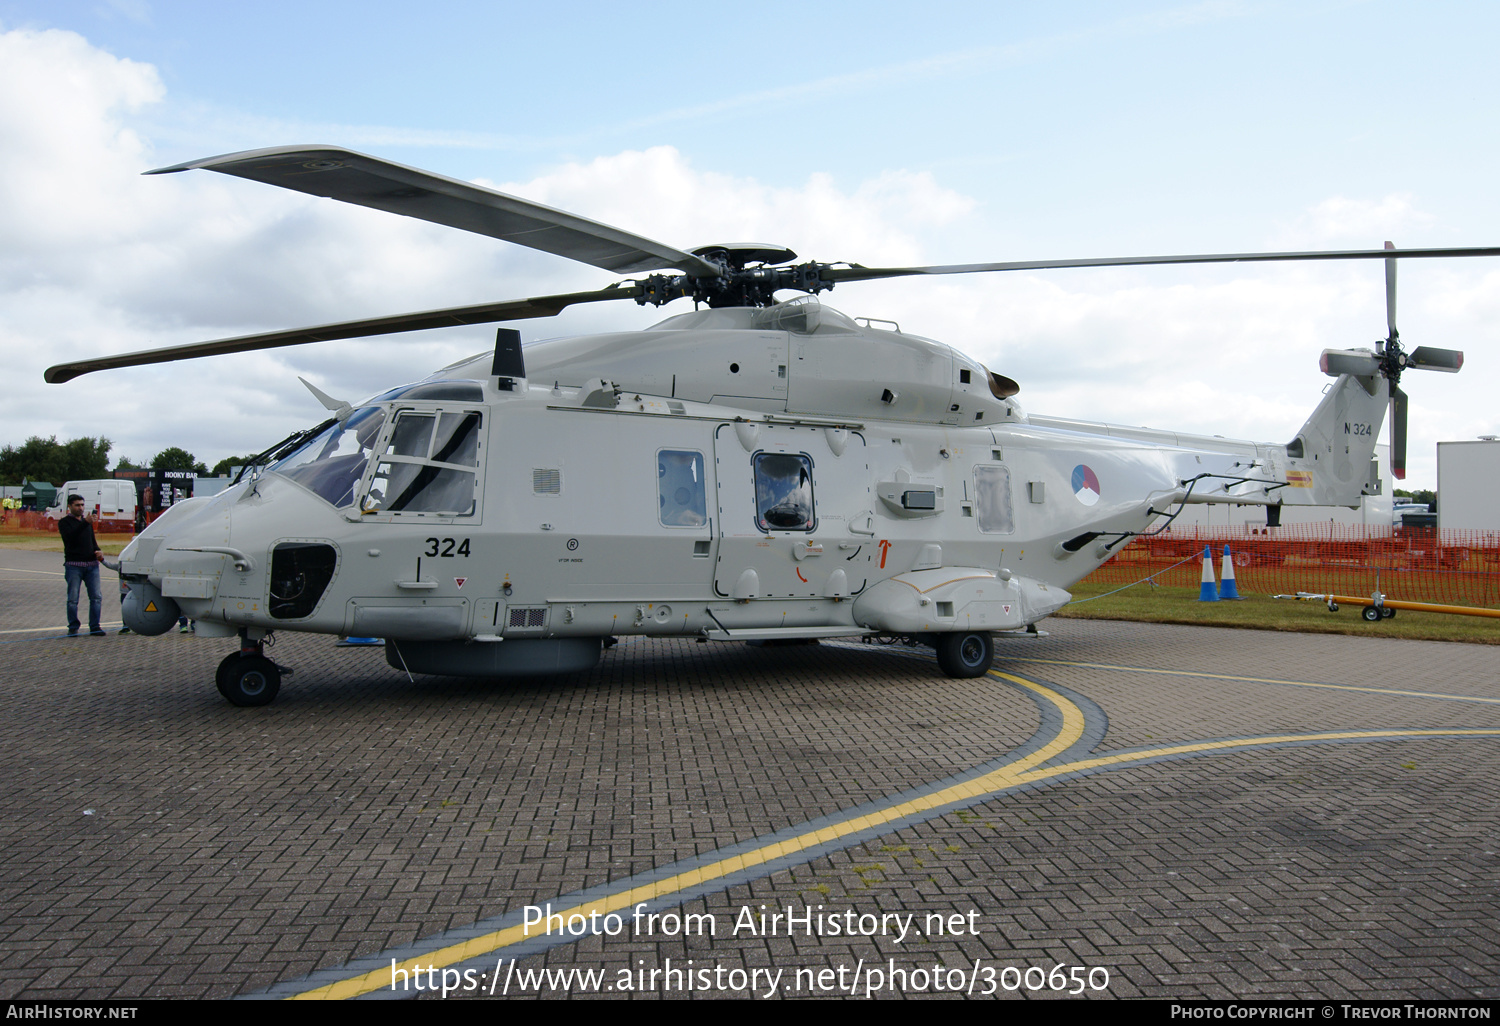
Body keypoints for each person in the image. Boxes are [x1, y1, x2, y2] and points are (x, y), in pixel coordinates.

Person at [57, 494, 105, 636]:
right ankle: (73, 626)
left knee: (96, 597)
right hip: (74, 565)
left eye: (82, 505)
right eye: (77, 505)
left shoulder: (86, 523)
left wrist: (98, 550)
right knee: (73, 598)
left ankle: (95, 626)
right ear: (70, 506)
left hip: (91, 565)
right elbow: (70, 537)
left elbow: (92, 541)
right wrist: (85, 523)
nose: (81, 508)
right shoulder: (65, 523)